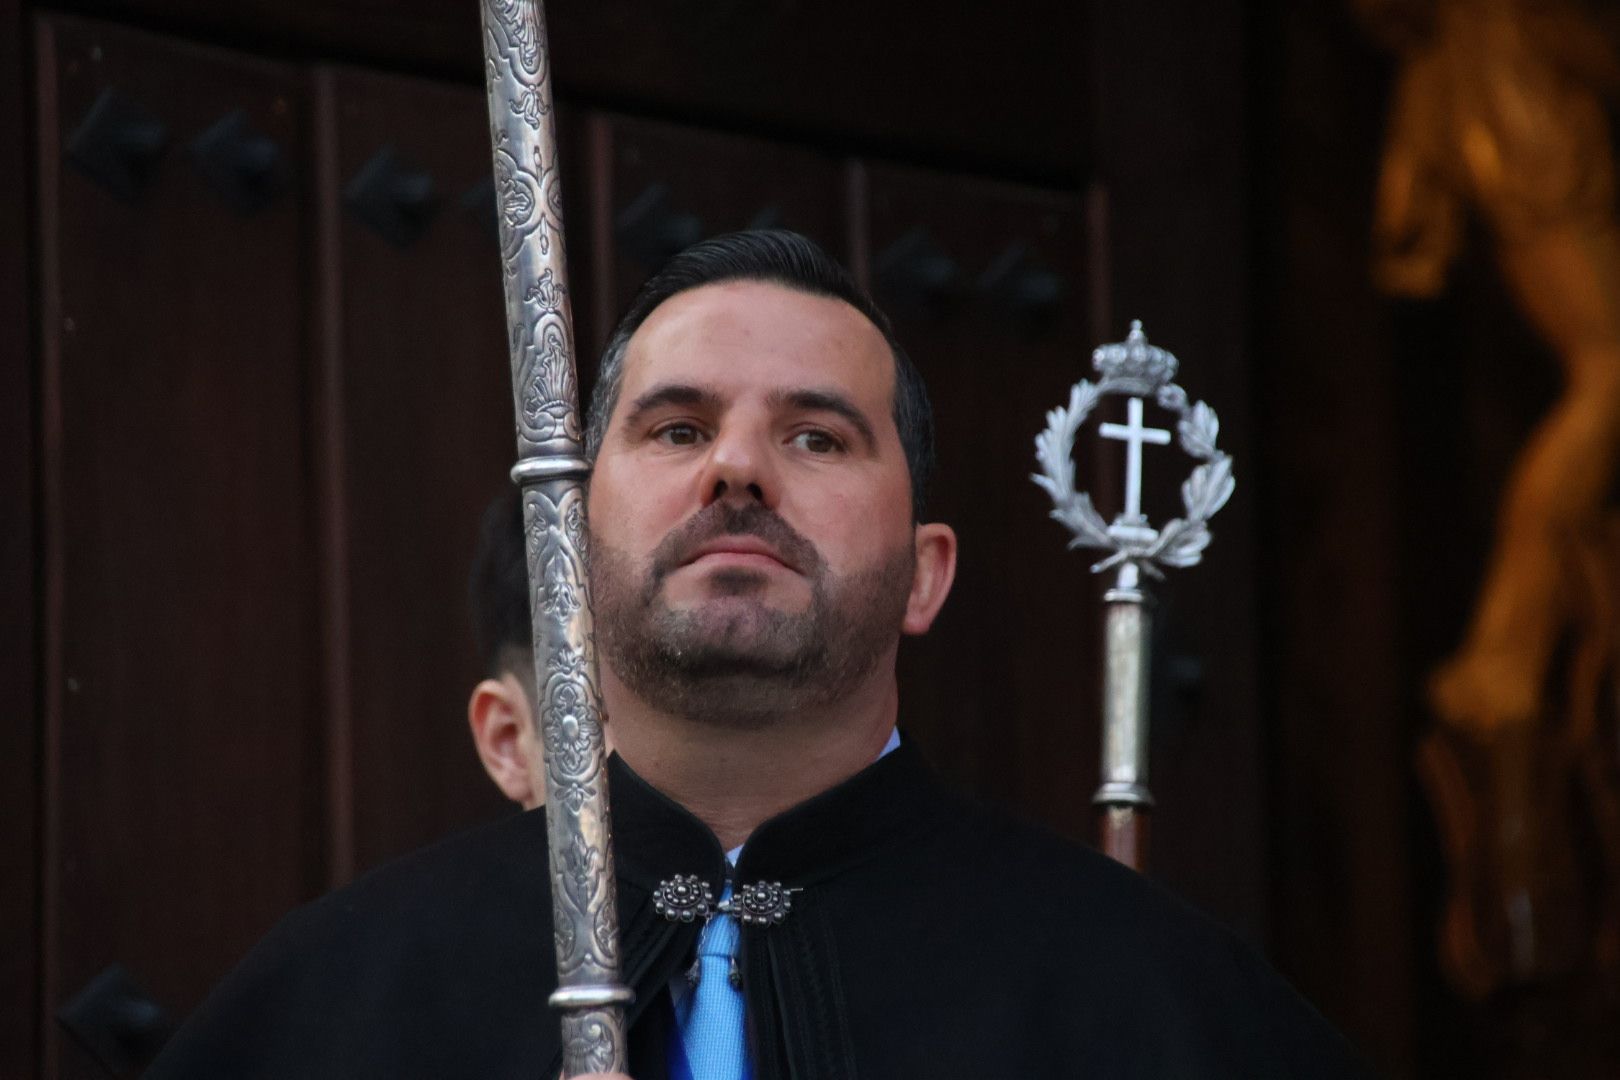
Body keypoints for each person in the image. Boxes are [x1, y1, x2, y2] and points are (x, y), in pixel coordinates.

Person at [146, 230, 1373, 1079]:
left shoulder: (1152, 1001)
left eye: (819, 437)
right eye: (677, 427)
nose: (736, 468)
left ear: (926, 574)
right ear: (567, 552)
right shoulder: (343, 996)